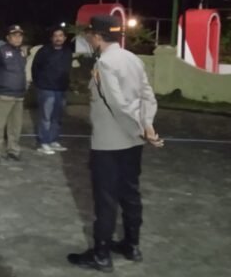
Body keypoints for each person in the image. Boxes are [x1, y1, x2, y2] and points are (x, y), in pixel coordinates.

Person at [67, 15, 164, 272]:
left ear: (98, 36)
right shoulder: (133, 59)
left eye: (90, 34)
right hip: (133, 143)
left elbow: (117, 105)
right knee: (130, 193)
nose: (89, 38)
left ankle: (101, 254)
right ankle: (132, 245)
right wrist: (146, 125)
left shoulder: (105, 64)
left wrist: (141, 130)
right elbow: (147, 96)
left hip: (109, 143)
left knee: (106, 199)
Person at [0, 24, 28, 165]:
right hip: (3, 95)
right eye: (14, 35)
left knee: (15, 126)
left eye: (20, 35)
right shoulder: (0, 52)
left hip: (18, 95)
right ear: (8, 37)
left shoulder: (22, 52)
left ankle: (13, 150)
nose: (18, 38)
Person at [31, 26, 73, 154]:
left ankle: (53, 140)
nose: (58, 38)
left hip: (61, 89)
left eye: (60, 36)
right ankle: (44, 142)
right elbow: (35, 68)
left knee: (57, 117)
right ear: (51, 38)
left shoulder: (67, 52)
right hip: (46, 89)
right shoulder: (44, 51)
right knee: (46, 117)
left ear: (65, 38)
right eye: (55, 36)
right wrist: (39, 84)